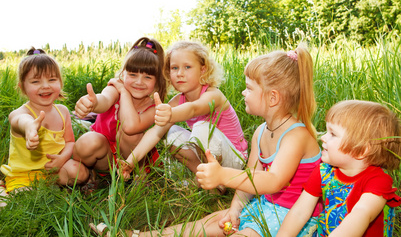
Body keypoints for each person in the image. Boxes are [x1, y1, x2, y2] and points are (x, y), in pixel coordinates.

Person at [91, 45, 322, 237]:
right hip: (268, 208)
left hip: (296, 217)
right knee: (210, 222)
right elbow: (250, 180)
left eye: (249, 88)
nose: (242, 92)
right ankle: (140, 236)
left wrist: (222, 176)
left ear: (273, 98)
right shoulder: (261, 132)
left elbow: (273, 181)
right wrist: (234, 209)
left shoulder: (296, 135)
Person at [118, 41, 248, 192]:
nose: (180, 73)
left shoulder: (213, 95)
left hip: (233, 160)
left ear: (203, 70)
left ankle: (214, 180)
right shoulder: (178, 101)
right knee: (171, 133)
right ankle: (206, 180)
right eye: (174, 68)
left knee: (202, 128)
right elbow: (154, 133)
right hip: (208, 155)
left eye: (187, 67)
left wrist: (170, 114)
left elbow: (193, 109)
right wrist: (130, 162)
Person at [277, 100, 401, 237]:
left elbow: (361, 214)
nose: (323, 138)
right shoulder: (324, 171)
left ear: (361, 150)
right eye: (327, 131)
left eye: (333, 134)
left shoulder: (379, 181)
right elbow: (300, 212)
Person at [0, 48, 89, 203]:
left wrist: (62, 159)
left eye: (52, 80)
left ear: (60, 82)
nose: (45, 86)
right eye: (35, 81)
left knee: (80, 173)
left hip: (52, 172)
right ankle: (6, 188)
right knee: (27, 201)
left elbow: (70, 142)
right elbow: (20, 121)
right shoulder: (20, 113)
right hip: (24, 175)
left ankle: (55, 186)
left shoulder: (63, 111)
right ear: (23, 87)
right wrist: (29, 128)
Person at [73, 37, 166, 179]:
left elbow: (130, 126)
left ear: (158, 81)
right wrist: (93, 103)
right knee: (88, 142)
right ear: (123, 74)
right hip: (105, 157)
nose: (139, 82)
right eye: (133, 74)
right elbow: (104, 100)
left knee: (130, 133)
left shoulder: (153, 107)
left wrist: (124, 92)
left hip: (134, 160)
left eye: (148, 77)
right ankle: (93, 175)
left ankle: (140, 181)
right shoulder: (114, 89)